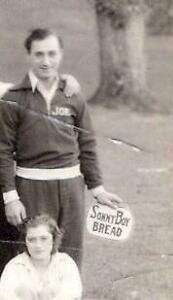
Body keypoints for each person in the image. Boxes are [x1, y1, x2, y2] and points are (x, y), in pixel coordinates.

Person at [0, 28, 122, 268]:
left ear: (61, 55)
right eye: (39, 54)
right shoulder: (13, 99)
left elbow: (87, 144)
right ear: (29, 56)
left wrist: (97, 189)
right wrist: (10, 198)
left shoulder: (72, 96)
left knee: (69, 257)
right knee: (35, 255)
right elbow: (3, 150)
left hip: (70, 188)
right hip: (31, 187)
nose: (46, 61)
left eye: (52, 54)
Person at [0, 214, 82, 300]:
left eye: (44, 238)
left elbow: (72, 294)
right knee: (24, 290)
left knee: (50, 291)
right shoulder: (14, 266)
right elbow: (5, 296)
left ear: (53, 239)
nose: (38, 245)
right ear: (24, 242)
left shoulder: (65, 263)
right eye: (31, 240)